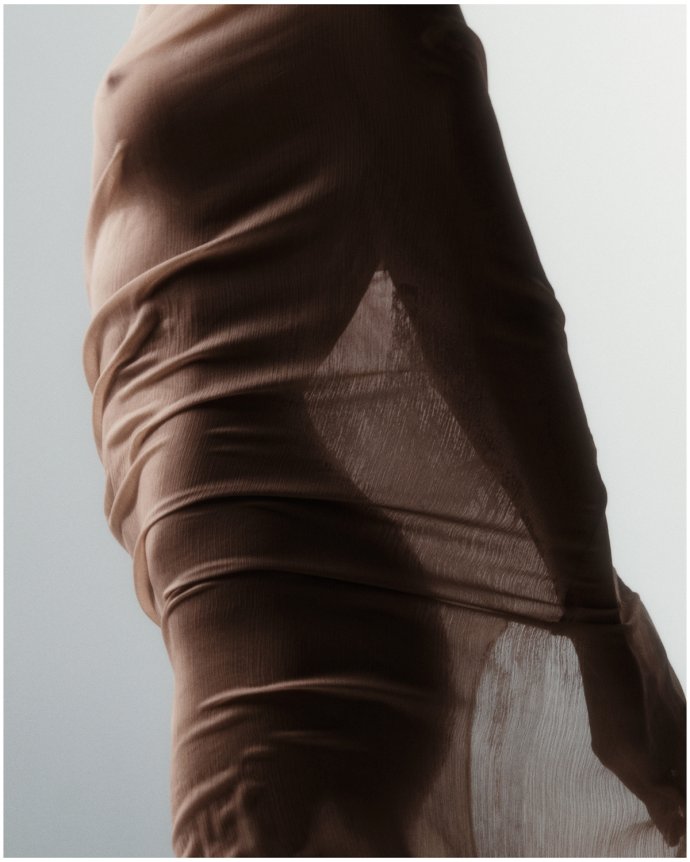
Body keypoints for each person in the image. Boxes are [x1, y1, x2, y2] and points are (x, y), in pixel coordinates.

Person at [82, 4, 686, 856]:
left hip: (296, 620)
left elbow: (491, 317)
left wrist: (595, 633)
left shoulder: (368, 20)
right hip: (247, 597)